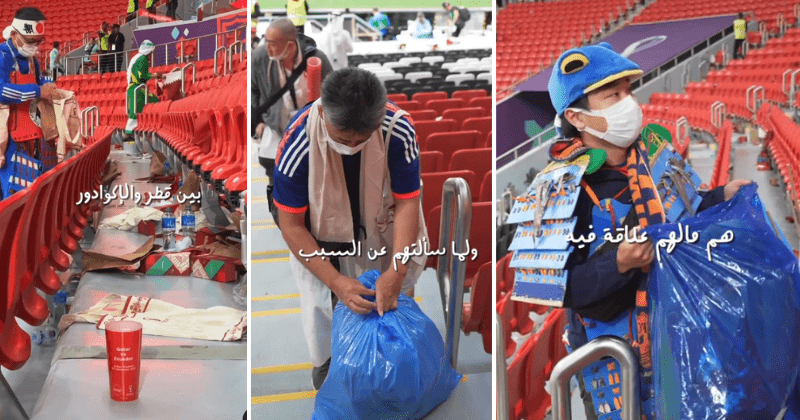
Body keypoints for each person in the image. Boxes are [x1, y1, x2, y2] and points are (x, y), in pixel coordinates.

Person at [511, 43, 751, 420]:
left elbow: (687, 207)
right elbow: (558, 290)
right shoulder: (556, 190)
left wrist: (722, 196)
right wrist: (618, 264)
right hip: (612, 357)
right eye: (613, 95)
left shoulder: (656, 157)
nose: (629, 102)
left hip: (676, 334)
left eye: (628, 91)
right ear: (577, 116)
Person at [273, 67, 427, 389]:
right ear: (324, 114)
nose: (353, 146)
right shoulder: (298, 142)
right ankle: (329, 369)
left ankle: (389, 371)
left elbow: (408, 203)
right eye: (343, 140)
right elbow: (291, 225)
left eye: (362, 139)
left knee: (385, 303)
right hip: (319, 237)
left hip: (381, 227)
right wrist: (336, 281)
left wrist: (396, 272)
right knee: (324, 308)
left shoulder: (396, 129)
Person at [252, 18, 332, 221]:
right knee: (276, 176)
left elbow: (334, 94)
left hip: (310, 130)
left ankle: (308, 216)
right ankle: (281, 217)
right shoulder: (260, 57)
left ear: (289, 45)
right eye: (266, 41)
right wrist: (259, 120)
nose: (267, 47)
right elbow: (252, 90)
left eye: (271, 42)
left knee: (308, 176)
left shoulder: (318, 59)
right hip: (276, 128)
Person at [0, 7, 67, 200]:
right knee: (12, 193)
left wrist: (48, 85)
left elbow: (39, 81)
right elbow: (1, 90)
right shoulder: (2, 56)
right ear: (14, 35)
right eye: (31, 41)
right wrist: (38, 91)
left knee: (37, 192)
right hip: (9, 137)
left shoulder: (31, 60)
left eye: (38, 42)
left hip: (34, 134)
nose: (35, 46)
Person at [124, 40, 162, 142]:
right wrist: (155, 75)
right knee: (156, 105)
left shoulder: (137, 57)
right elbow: (141, 75)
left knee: (136, 111)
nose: (151, 54)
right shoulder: (142, 59)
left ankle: (134, 134)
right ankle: (152, 132)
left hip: (134, 88)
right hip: (138, 89)